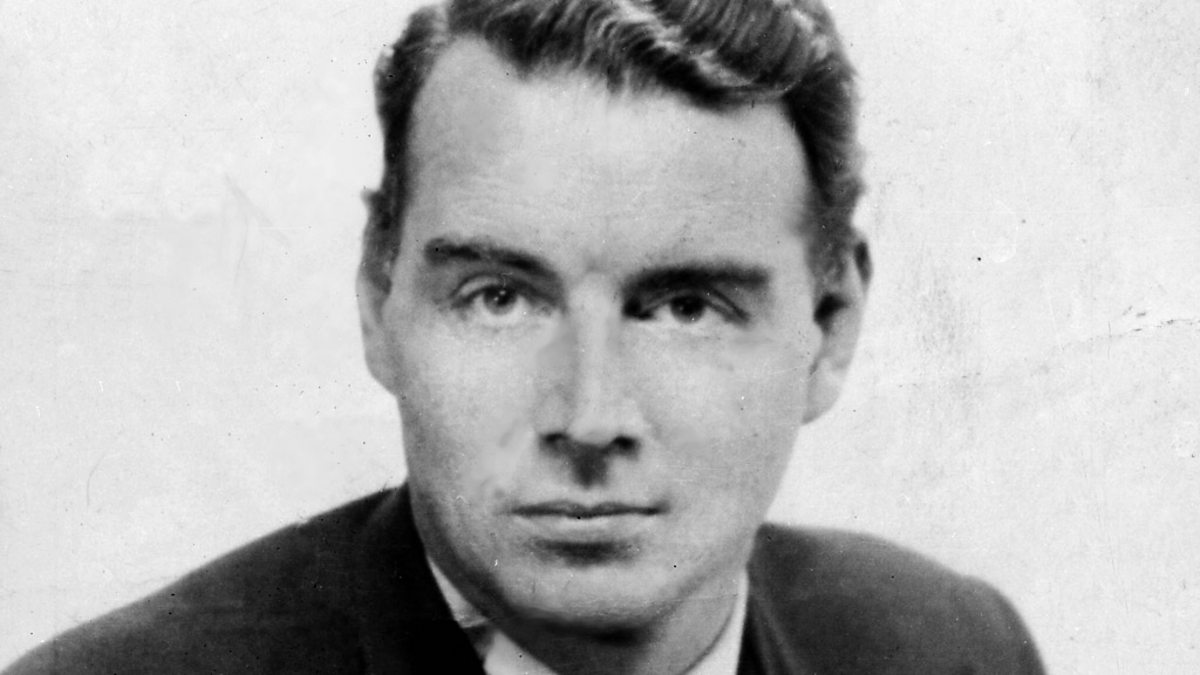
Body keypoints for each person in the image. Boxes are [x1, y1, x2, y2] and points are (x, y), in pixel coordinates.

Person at [5, 0, 1045, 673]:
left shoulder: (951, 648)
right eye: (500, 298)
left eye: (685, 307)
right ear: (378, 298)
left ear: (829, 327)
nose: (588, 419)